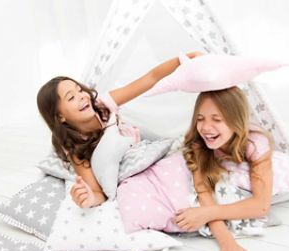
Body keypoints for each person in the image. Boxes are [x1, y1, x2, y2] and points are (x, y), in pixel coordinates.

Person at [36, 51, 202, 209]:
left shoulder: (102, 104)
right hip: (120, 155)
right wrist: (89, 198)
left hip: (135, 137)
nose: (81, 96)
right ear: (60, 117)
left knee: (178, 146)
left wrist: (182, 59)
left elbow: (149, 78)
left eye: (79, 90)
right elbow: (97, 192)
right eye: (71, 97)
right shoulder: (74, 147)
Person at [176, 86, 273, 251]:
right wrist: (227, 243)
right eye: (200, 119)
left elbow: (261, 206)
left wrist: (206, 214)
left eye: (217, 119)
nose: (205, 127)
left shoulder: (255, 143)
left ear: (236, 121)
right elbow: (203, 192)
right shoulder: (197, 141)